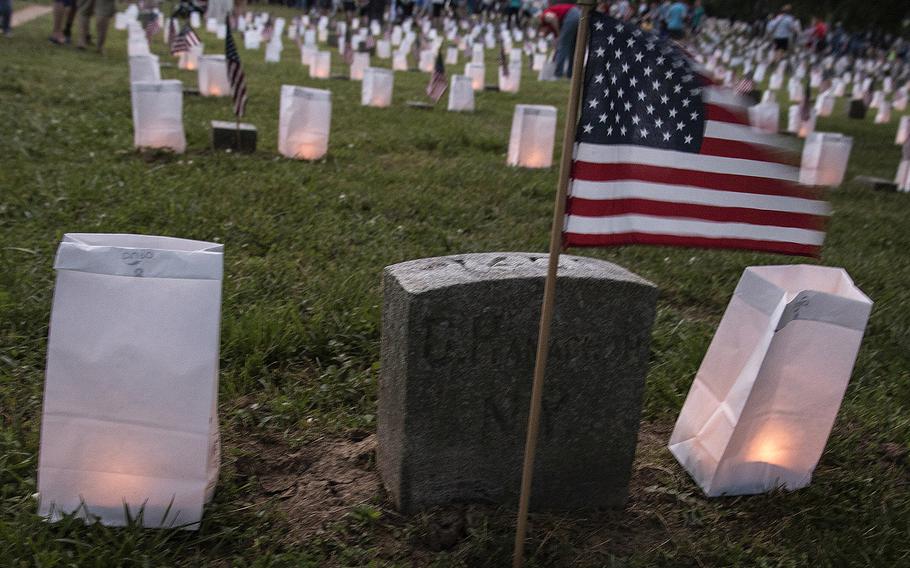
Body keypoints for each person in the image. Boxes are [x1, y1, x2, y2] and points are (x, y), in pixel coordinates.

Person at [539, 2, 576, 77]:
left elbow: (553, 18)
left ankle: (557, 73)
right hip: (578, 13)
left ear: (542, 27)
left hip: (571, 14)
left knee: (563, 46)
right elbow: (556, 42)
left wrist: (558, 33)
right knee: (573, 47)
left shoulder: (543, 16)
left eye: (544, 33)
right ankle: (570, 74)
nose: (546, 34)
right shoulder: (551, 28)